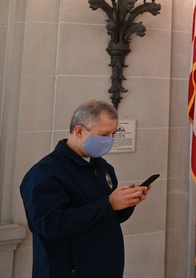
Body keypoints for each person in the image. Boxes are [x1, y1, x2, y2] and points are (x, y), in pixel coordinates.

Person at [20, 100, 150, 278]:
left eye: (114, 133)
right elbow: (50, 225)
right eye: (104, 134)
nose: (110, 140)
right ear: (79, 131)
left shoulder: (103, 167)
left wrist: (127, 202)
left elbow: (107, 217)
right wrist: (108, 204)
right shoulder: (45, 173)